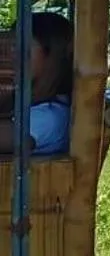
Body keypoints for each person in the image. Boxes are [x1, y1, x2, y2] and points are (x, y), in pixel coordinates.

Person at [18, 11, 75, 156]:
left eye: (24, 49)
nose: (12, 55)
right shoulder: (26, 104)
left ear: (54, 56)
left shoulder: (49, 117)